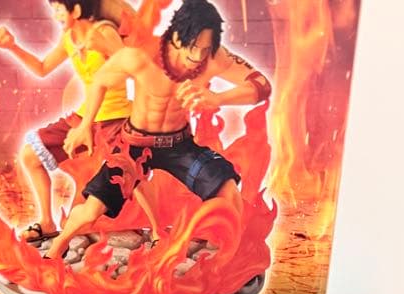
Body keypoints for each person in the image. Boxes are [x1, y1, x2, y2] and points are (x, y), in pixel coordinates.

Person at [45, 0, 271, 259]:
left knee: (227, 189)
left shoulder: (213, 58)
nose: (198, 57)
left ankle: (230, 258)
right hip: (135, 144)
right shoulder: (142, 54)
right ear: (175, 35)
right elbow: (100, 80)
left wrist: (219, 98)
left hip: (180, 145)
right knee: (92, 210)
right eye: (193, 48)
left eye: (205, 49)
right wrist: (86, 124)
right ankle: (56, 248)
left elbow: (261, 84)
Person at [0, 0, 132, 244]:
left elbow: (132, 67)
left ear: (76, 10)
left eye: (58, 9)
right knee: (30, 156)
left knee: (126, 177)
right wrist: (12, 46)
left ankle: (155, 230)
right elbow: (42, 68)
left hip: (115, 117)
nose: (55, 15)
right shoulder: (70, 39)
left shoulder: (105, 32)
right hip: (84, 116)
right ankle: (47, 222)